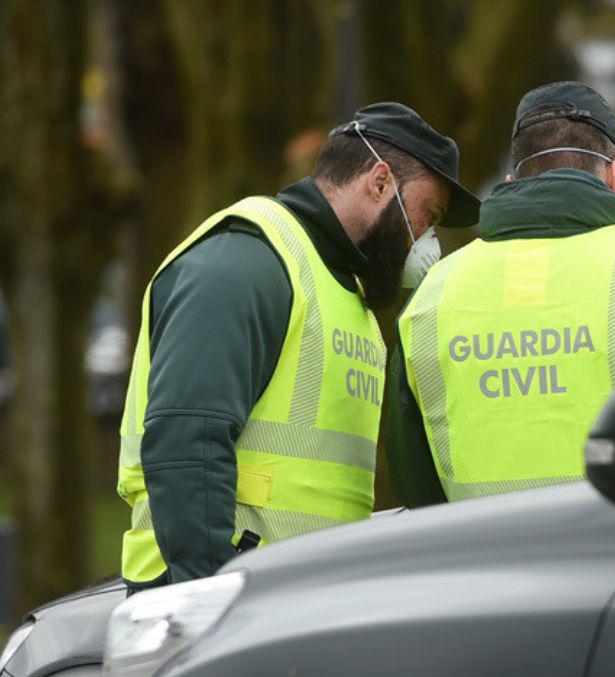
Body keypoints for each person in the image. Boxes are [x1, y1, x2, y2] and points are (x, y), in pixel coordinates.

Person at [117, 102, 479, 590]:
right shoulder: (247, 263)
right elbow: (188, 444)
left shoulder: (346, 296)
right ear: (379, 181)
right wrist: (205, 601)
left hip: (290, 601)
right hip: (216, 599)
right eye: (426, 214)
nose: (428, 240)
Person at [388, 81, 615, 507]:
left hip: (483, 568)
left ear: (512, 180)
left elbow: (416, 491)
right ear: (614, 174)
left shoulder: (433, 296)